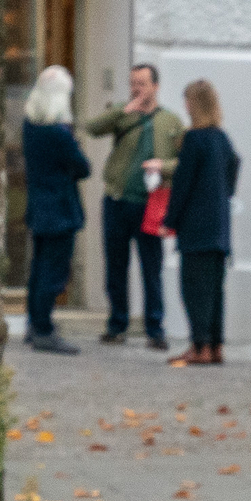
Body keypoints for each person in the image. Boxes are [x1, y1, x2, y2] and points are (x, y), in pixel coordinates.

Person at [84, 62, 182, 350]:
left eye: (142, 83)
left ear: (156, 86)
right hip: (117, 199)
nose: (137, 89)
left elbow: (186, 162)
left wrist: (162, 166)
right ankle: (117, 324)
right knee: (116, 266)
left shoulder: (171, 121)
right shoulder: (122, 113)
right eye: (133, 83)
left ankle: (155, 328)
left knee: (151, 267)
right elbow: (92, 128)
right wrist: (120, 111)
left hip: (151, 205)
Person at [163, 80, 240, 368]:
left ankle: (200, 346)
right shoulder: (222, 138)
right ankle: (216, 344)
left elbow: (182, 184)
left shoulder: (194, 140)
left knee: (194, 288)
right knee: (215, 289)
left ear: (195, 104)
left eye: (187, 101)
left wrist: (170, 220)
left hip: (196, 226)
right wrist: (223, 193)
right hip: (219, 226)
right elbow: (234, 166)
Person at [20, 66, 91, 356]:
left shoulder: (30, 127)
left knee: (38, 268)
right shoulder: (59, 134)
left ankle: (34, 324)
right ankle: (45, 329)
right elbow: (83, 167)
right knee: (54, 271)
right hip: (60, 209)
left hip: (39, 207)